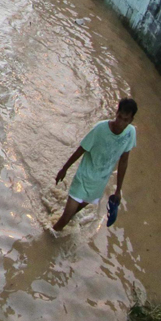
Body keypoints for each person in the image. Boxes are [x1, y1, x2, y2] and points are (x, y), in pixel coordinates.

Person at [52, 99, 138, 232]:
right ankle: (48, 237)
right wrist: (64, 169)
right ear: (116, 113)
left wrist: (118, 190)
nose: (120, 123)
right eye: (119, 117)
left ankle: (55, 227)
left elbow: (123, 161)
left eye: (125, 120)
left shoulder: (130, 133)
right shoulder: (100, 129)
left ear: (131, 120)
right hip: (83, 177)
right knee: (65, 218)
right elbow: (81, 149)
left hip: (99, 183)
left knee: (73, 213)